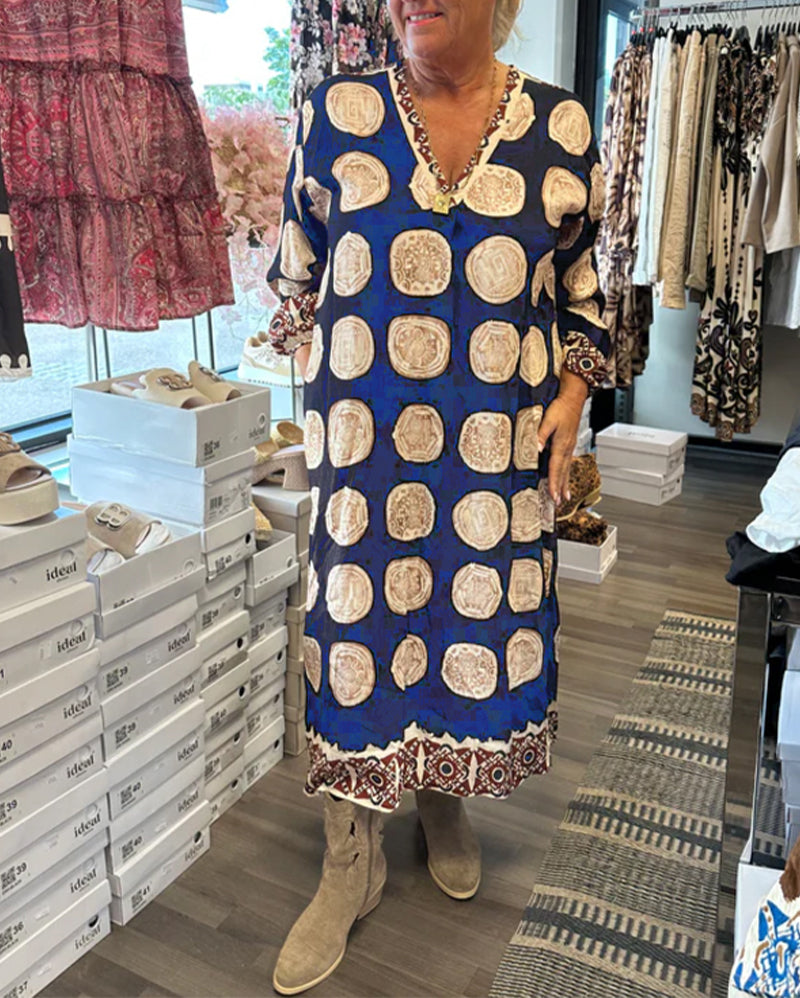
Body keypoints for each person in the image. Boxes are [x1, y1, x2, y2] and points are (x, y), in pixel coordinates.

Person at [267, 1, 610, 992]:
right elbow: (295, 276)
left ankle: (440, 792)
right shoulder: (334, 113)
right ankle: (349, 859)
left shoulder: (560, 127)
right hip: (368, 457)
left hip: (493, 453)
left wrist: (572, 398)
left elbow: (584, 291)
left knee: (470, 619)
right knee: (353, 631)